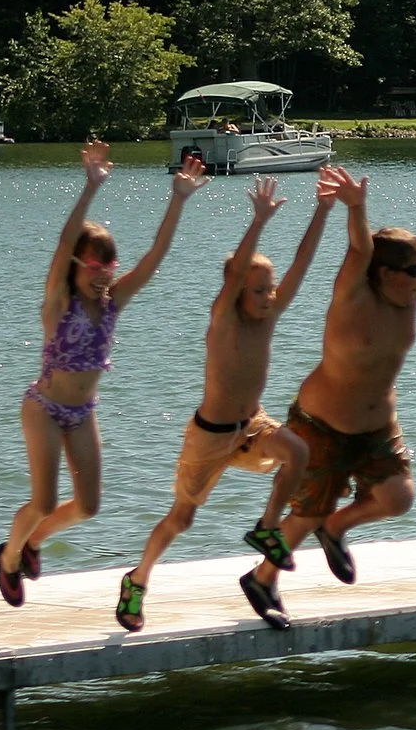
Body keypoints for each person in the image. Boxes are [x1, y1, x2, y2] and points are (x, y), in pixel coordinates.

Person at [239, 146, 416, 627]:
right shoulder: (352, 294)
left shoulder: (409, 295)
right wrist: (355, 206)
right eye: (411, 272)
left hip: (377, 425)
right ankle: (262, 579)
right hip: (322, 423)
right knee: (305, 512)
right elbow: (359, 249)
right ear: (384, 273)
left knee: (397, 498)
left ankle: (338, 526)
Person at [116, 172, 334, 631]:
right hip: (210, 435)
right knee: (182, 518)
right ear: (237, 292)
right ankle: (137, 580)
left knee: (298, 451)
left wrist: (323, 209)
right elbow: (236, 273)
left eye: (269, 288)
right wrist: (258, 221)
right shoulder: (224, 319)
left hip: (251, 426)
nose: (268, 296)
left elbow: (302, 264)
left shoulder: (268, 315)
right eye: (258, 289)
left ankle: (267, 527)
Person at [0, 143, 202, 607]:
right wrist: (90, 188)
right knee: (44, 501)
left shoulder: (113, 303)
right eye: (93, 266)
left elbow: (154, 257)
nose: (103, 274)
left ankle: (33, 543)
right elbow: (63, 245)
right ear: (75, 267)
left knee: (88, 506)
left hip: (83, 410)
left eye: (109, 265)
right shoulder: (58, 302)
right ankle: (9, 557)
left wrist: (178, 200)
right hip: (45, 408)